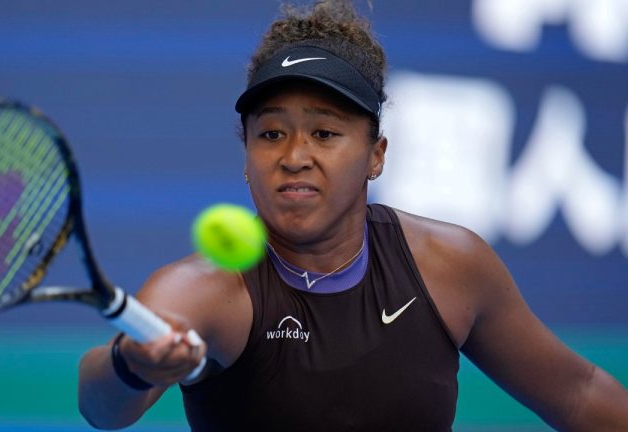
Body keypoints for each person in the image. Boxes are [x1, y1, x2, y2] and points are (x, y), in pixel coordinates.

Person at [78, 1, 628, 430]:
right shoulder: (204, 292)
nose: (294, 156)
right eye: (271, 134)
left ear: (376, 154)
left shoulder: (450, 266)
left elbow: (578, 394)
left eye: (324, 133)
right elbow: (103, 408)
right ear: (245, 155)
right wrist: (133, 366)